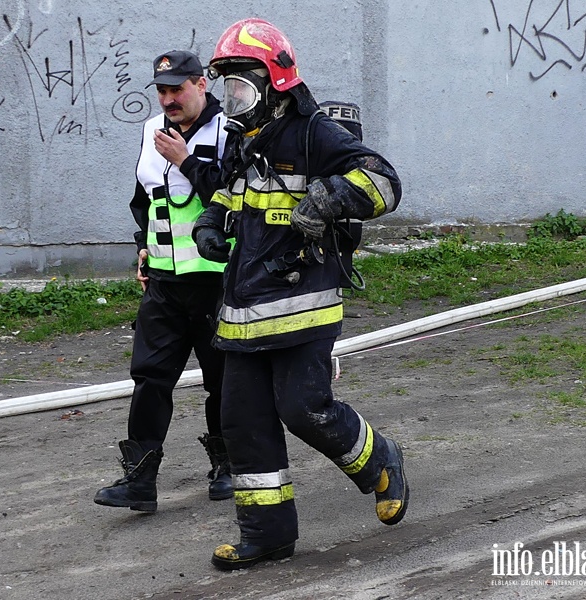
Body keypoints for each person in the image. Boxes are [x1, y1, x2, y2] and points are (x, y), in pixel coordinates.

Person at [191, 19, 409, 570]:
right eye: (227, 89)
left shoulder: (313, 134)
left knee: (304, 410)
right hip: (243, 307)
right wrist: (211, 223)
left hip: (303, 301)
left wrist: (332, 196)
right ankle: (267, 534)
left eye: (242, 87)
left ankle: (380, 460)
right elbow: (228, 190)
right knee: (242, 422)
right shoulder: (245, 139)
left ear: (276, 82)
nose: (233, 101)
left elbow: (384, 181)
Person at [94, 50, 232, 513]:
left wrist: (188, 160)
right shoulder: (149, 131)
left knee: (225, 379)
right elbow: (146, 199)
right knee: (150, 379)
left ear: (201, 84)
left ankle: (227, 468)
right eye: (163, 90)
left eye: (178, 88)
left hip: (217, 282)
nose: (169, 99)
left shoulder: (230, 130)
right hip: (164, 283)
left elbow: (235, 200)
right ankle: (140, 482)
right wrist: (143, 245)